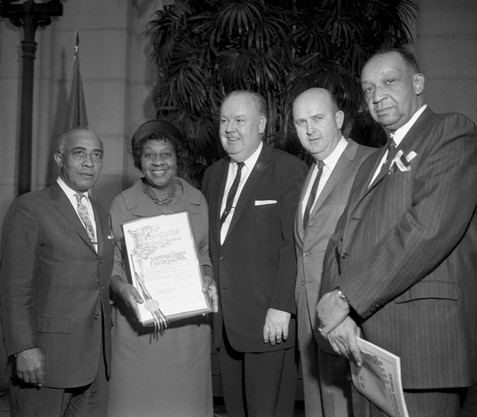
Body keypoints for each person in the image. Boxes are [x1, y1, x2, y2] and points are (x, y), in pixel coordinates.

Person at [317, 48, 477, 417]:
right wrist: (336, 314)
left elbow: (427, 230)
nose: (377, 96)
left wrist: (345, 297)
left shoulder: (451, 132)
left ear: (418, 84)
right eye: (368, 88)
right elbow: (340, 242)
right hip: (364, 348)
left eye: (389, 82)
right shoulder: (372, 162)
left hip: (421, 350)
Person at [202, 90, 308, 417]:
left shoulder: (289, 169)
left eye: (239, 120)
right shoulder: (213, 174)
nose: (229, 128)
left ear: (261, 124)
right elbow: (213, 245)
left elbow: (295, 244)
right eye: (224, 120)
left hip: (268, 322)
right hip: (225, 323)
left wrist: (281, 307)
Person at [107, 119, 218, 417]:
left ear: (177, 158)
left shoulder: (197, 201)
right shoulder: (120, 204)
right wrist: (121, 288)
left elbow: (204, 254)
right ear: (139, 161)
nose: (158, 162)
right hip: (139, 329)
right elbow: (111, 265)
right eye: (149, 155)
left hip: (188, 332)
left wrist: (208, 279)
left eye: (165, 154)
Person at [0, 128, 114, 417]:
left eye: (97, 155)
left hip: (95, 362)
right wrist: (23, 347)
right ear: (59, 159)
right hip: (45, 360)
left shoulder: (101, 213)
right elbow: (14, 286)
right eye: (80, 153)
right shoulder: (30, 207)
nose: (90, 162)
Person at [292, 88, 374, 417]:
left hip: (348, 315)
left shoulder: (369, 161)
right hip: (311, 318)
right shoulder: (311, 171)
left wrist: (352, 308)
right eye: (300, 122)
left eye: (317, 118)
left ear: (339, 119)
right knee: (319, 406)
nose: (309, 129)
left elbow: (375, 242)